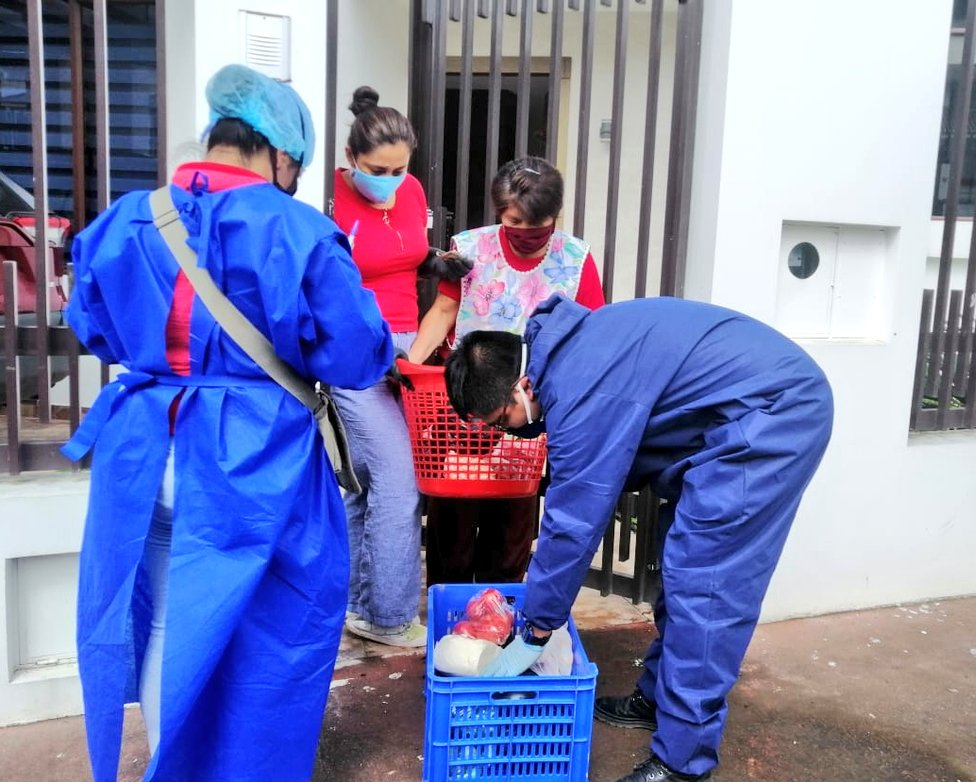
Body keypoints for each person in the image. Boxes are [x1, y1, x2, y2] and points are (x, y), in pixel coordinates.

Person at [61, 64, 393, 782]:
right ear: (278, 152)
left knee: (161, 622)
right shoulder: (299, 229)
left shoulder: (126, 218)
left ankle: (167, 762)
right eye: (295, 167)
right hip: (254, 460)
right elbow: (359, 354)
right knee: (273, 636)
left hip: (147, 452)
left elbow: (89, 323)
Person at [444, 294, 834, 782]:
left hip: (772, 415)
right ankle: (657, 699)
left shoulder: (581, 388)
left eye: (503, 420)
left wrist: (536, 627)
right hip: (733, 417)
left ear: (522, 385)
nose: (509, 432)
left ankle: (682, 764)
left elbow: (573, 522)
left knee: (705, 588)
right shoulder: (567, 356)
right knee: (682, 568)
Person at [407, 156, 604, 587]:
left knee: (511, 533)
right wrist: (413, 366)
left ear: (556, 216)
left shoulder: (575, 259)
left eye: (538, 224)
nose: (526, 233)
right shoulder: (471, 248)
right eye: (515, 221)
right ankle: (450, 621)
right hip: (463, 405)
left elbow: (590, 339)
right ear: (500, 212)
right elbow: (444, 309)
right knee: (451, 532)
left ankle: (498, 621)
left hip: (527, 416)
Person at [330, 86, 469, 647]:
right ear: (352, 159)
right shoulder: (329, 199)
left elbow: (410, 255)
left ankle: (350, 604)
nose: (389, 179)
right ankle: (389, 616)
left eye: (399, 168)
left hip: (409, 349)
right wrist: (377, 347)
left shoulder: (410, 191)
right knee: (397, 481)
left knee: (368, 485)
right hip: (355, 353)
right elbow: (327, 286)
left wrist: (441, 262)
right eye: (377, 169)